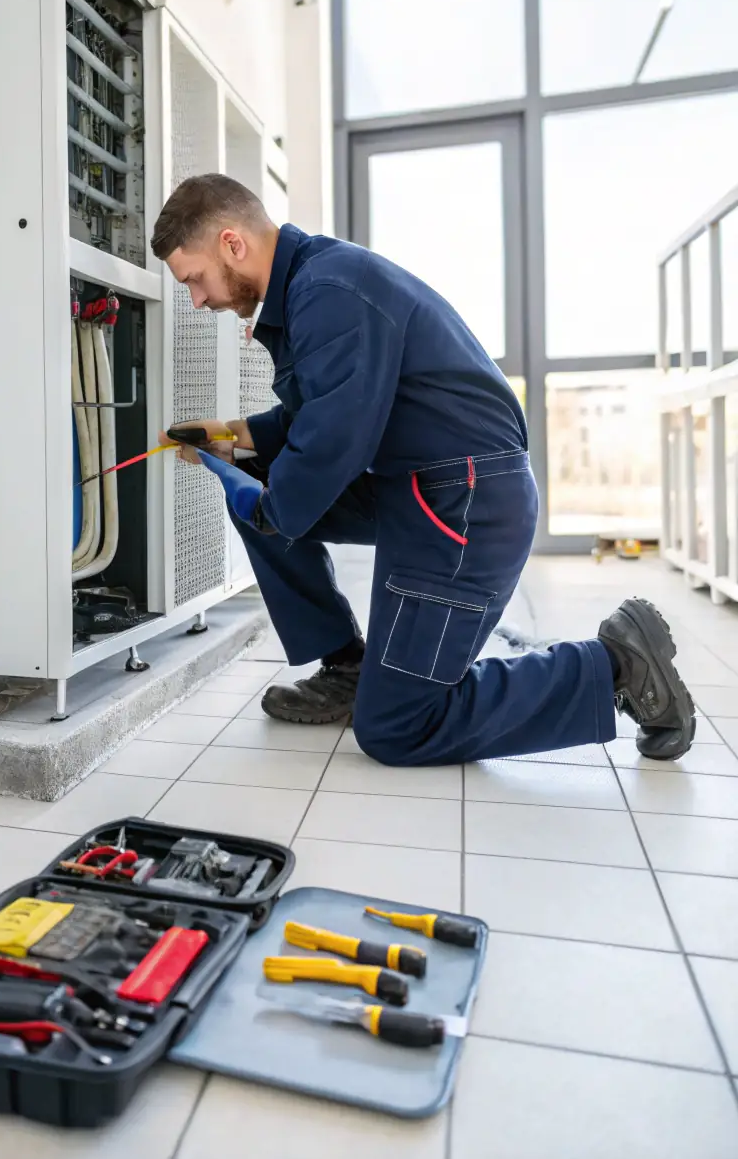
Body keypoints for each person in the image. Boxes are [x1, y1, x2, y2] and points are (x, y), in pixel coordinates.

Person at [151, 173, 696, 767]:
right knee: (259, 482)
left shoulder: (328, 291)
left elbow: (331, 441)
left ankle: (614, 665)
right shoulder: (314, 283)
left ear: (232, 244)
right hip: (425, 486)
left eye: (194, 281)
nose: (198, 301)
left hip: (465, 502)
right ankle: (348, 666)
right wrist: (230, 438)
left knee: (397, 726)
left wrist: (270, 507)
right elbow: (314, 414)